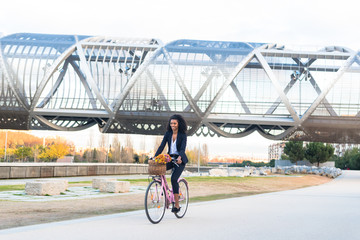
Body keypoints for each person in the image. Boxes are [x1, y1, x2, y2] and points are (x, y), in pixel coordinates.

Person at [154, 114, 188, 213]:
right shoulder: (168, 133)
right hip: (170, 158)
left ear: (178, 124)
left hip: (180, 160)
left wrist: (180, 157)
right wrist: (155, 157)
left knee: (174, 179)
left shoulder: (182, 135)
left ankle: (177, 205)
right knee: (160, 169)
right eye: (171, 123)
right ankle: (164, 192)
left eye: (175, 123)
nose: (172, 125)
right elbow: (162, 146)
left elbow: (182, 148)